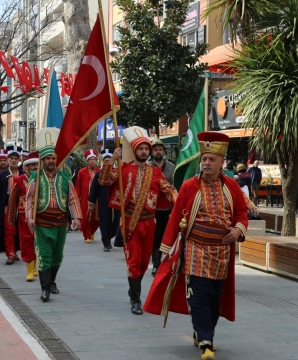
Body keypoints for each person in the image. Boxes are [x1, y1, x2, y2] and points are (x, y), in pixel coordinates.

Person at [143, 131, 249, 360]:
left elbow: (241, 213)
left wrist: (238, 230)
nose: (207, 163)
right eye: (204, 159)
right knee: (198, 297)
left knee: (214, 299)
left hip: (222, 253)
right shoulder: (190, 186)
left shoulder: (231, 187)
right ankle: (206, 342)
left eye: (212, 159)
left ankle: (203, 331)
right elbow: (173, 218)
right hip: (195, 251)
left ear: (222, 163)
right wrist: (166, 249)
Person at [99, 126, 178, 315]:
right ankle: (136, 299)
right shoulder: (123, 168)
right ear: (134, 151)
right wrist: (113, 160)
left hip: (150, 222)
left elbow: (169, 191)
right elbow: (103, 181)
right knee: (133, 261)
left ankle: (133, 287)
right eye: (140, 149)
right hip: (130, 222)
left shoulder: (156, 173)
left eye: (146, 149)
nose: (143, 151)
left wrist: (182, 202)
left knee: (144, 263)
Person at [26, 128, 82, 302]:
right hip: (42, 224)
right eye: (48, 158)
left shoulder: (65, 177)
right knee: (43, 255)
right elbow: (29, 200)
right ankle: (44, 290)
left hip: (60, 224)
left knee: (57, 257)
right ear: (42, 160)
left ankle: (52, 282)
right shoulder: (35, 177)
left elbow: (72, 199)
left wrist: (77, 218)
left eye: (53, 158)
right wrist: (29, 217)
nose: (51, 161)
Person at [8, 152, 40, 280]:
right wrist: (11, 216)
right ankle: (29, 270)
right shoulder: (18, 180)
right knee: (27, 242)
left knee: (38, 242)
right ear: (26, 167)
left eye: (37, 165)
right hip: (24, 216)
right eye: (32, 165)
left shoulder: (43, 179)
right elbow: (13, 199)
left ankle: (35, 266)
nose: (35, 167)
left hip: (40, 215)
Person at [148, 137, 175, 276]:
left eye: (160, 149)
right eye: (155, 150)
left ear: (163, 151)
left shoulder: (171, 166)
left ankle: (166, 262)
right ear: (151, 152)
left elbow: (175, 185)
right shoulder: (147, 166)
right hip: (152, 208)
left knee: (168, 236)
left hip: (168, 208)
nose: (158, 152)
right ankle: (156, 264)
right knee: (155, 237)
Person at [0, 147, 21, 263]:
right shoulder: (3, 175)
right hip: (7, 205)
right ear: (8, 160)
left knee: (19, 230)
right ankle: (10, 254)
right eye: (11, 158)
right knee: (8, 230)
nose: (13, 160)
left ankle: (15, 250)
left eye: (15, 159)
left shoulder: (22, 173)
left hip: (21, 207)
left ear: (19, 160)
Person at [88, 149, 120, 252]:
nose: (107, 163)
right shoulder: (99, 174)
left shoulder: (118, 172)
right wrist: (92, 202)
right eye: (106, 161)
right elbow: (94, 189)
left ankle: (110, 237)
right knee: (105, 221)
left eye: (109, 161)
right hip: (103, 201)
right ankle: (105, 242)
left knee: (116, 221)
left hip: (116, 201)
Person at [76, 149, 100, 243]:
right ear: (87, 161)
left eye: (94, 159)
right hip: (86, 198)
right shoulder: (82, 171)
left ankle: (92, 231)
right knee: (87, 217)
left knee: (97, 218)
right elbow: (78, 185)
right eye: (90, 159)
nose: (92, 161)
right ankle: (87, 234)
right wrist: (78, 196)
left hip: (97, 198)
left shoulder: (99, 171)